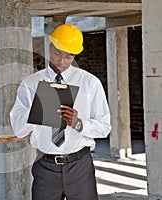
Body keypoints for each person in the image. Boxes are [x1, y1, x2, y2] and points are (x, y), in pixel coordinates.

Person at [10, 24, 112, 200]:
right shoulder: (31, 84)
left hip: (80, 167)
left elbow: (104, 128)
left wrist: (77, 123)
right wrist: (37, 110)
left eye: (69, 56)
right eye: (58, 53)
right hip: (45, 168)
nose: (62, 61)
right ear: (50, 47)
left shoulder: (90, 83)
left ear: (75, 55)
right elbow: (19, 129)